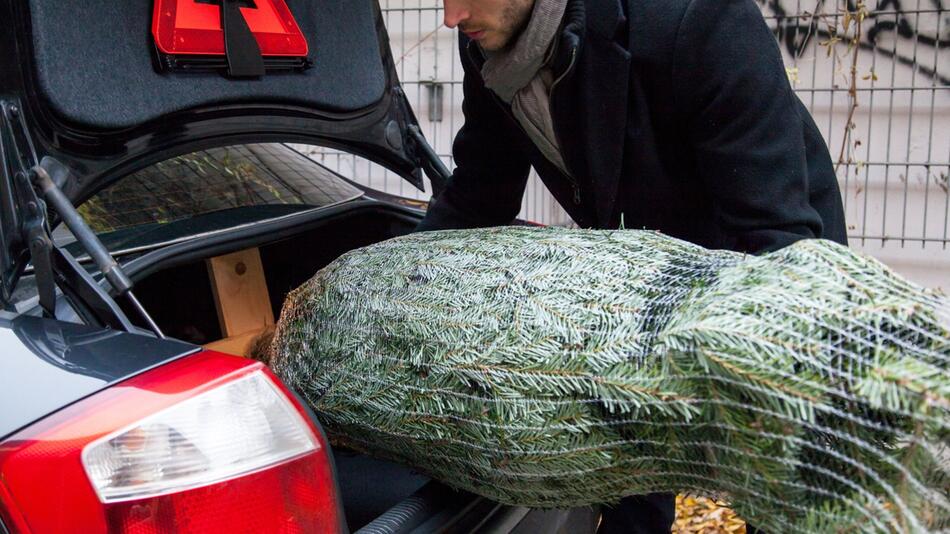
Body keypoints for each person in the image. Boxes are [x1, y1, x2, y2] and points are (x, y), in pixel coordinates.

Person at [416, 0, 848, 531]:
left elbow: (776, 242)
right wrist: (396, 282)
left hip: (767, 237)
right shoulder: (487, 41)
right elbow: (481, 191)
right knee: (632, 448)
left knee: (782, 464)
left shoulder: (700, 19)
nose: (451, 15)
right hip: (643, 260)